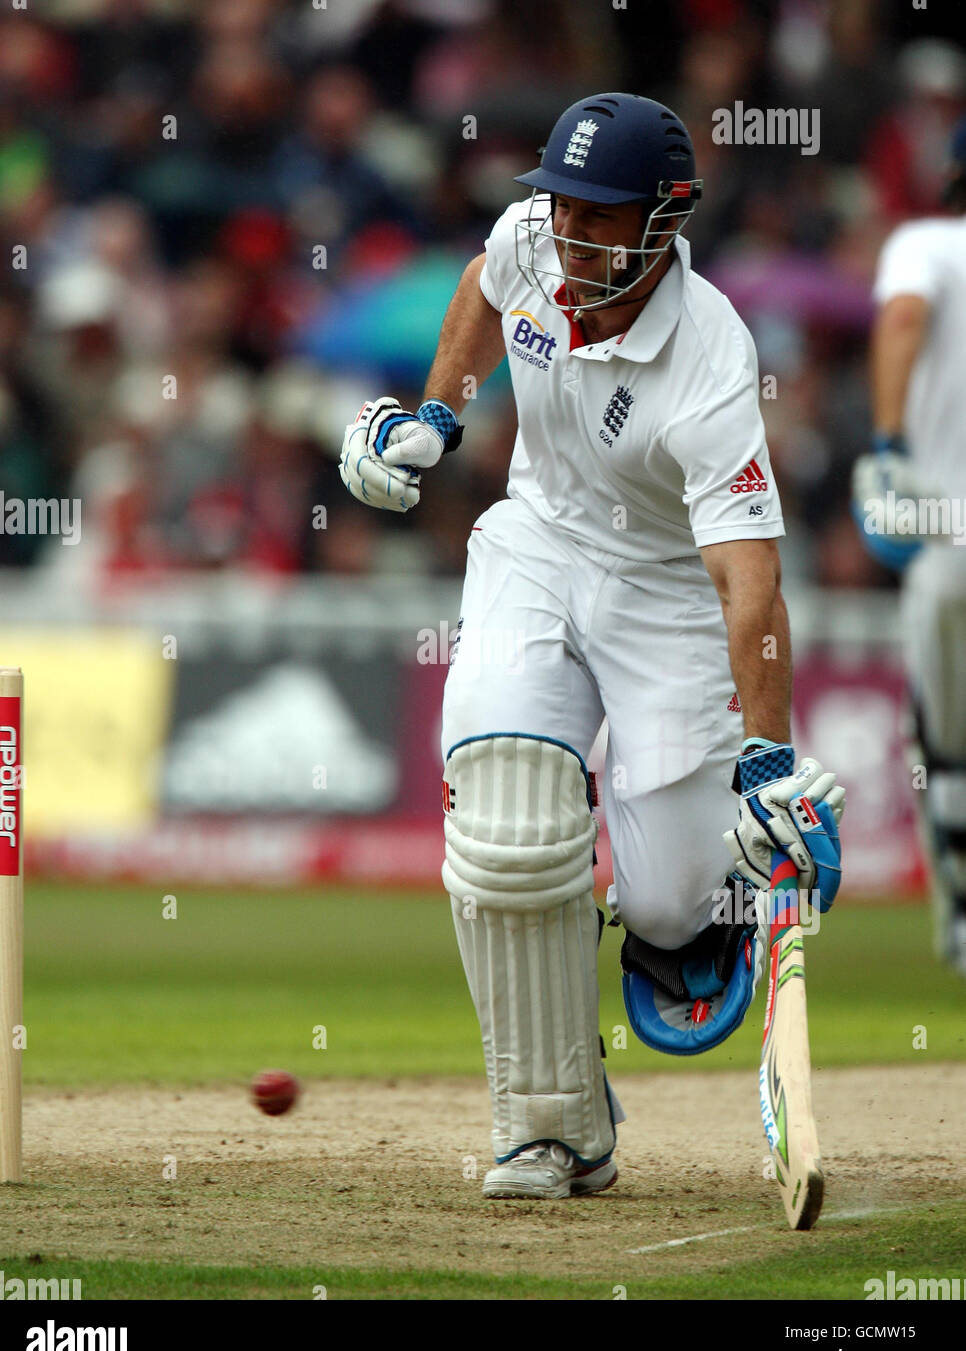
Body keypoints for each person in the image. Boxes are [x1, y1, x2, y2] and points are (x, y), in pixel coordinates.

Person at [340, 93, 844, 1198]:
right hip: (536, 541)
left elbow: (746, 583)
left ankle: (695, 911)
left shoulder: (711, 356)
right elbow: (483, 283)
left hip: (669, 598)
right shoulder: (535, 238)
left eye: (599, 215)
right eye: (559, 204)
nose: (566, 231)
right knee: (511, 821)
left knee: (675, 906)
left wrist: (768, 765)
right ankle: (554, 1125)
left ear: (665, 220)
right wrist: (439, 414)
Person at [853, 115, 966, 975]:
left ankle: (962, 917)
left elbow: (899, 322)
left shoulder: (927, 242)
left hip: (948, 527)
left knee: (946, 741)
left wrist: (889, 443)